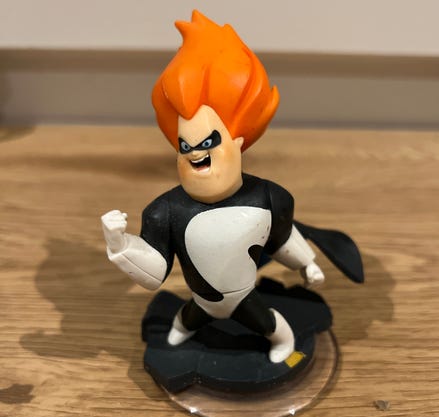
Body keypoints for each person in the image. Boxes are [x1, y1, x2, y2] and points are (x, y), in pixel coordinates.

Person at [101, 11, 324, 363]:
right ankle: (180, 334)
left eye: (208, 142)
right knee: (184, 321)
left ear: (238, 142)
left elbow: (281, 237)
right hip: (201, 299)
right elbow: (155, 271)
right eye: (185, 146)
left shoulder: (267, 197)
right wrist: (120, 244)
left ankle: (284, 344)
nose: (195, 153)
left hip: (244, 296)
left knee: (270, 326)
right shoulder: (165, 211)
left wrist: (307, 263)